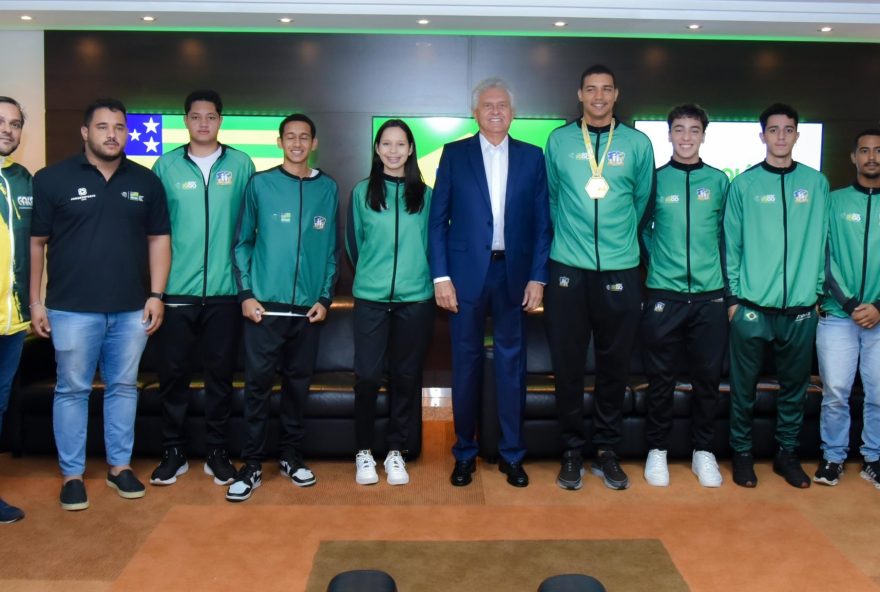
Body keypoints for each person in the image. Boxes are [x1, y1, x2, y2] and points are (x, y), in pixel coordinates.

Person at [30, 98, 171, 511]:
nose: (113, 134)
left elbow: (159, 239)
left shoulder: (146, 181)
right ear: (85, 132)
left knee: (124, 388)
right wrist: (36, 302)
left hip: (131, 310)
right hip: (70, 308)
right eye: (104, 127)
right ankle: (72, 475)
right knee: (72, 390)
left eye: (120, 128)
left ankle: (119, 467)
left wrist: (157, 295)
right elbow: (37, 244)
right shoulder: (51, 179)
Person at [429, 78, 551, 489]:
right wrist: (441, 276)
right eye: (487, 105)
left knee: (512, 367)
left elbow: (542, 226)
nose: (495, 110)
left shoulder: (533, 158)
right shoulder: (454, 154)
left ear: (512, 113)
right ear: (475, 113)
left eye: (502, 105)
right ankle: (464, 453)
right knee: (464, 367)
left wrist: (538, 276)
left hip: (513, 275)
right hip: (463, 277)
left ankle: (512, 455)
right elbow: (437, 221)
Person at [544, 64, 655, 491]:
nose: (598, 96)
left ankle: (608, 451)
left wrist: (621, 244)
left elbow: (642, 202)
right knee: (568, 366)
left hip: (621, 269)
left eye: (606, 89)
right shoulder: (558, 140)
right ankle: (571, 451)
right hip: (568, 269)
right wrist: (569, 244)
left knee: (614, 366)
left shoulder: (636, 143)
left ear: (616, 94)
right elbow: (553, 199)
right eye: (591, 89)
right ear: (579, 94)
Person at [227, 113, 338, 502]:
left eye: (304, 137)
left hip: (307, 313)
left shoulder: (328, 188)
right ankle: (252, 464)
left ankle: (292, 457)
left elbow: (331, 253)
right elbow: (241, 243)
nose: (296, 143)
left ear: (314, 143)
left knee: (297, 388)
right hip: (264, 311)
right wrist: (246, 295)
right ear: (279, 142)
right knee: (257, 389)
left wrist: (324, 298)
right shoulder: (260, 184)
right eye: (289, 137)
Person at [149, 90, 255, 487]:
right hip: (176, 291)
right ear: (186, 121)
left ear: (220, 121)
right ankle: (173, 451)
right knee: (173, 375)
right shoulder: (166, 165)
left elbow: (249, 229)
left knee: (221, 377)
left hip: (226, 293)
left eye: (211, 117)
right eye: (196, 117)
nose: (204, 123)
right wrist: (156, 290)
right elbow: (156, 230)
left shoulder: (242, 164)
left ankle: (217, 452)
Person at [723, 103, 829, 489]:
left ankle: (787, 454)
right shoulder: (745, 185)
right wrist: (733, 299)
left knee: (794, 389)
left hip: (801, 308)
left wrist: (816, 292)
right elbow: (730, 245)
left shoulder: (816, 184)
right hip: (751, 306)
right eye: (774, 129)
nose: (781, 136)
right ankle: (743, 454)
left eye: (788, 130)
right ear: (762, 135)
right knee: (744, 389)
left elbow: (824, 242)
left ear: (797, 135)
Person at [641, 104, 729, 488]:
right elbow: (641, 231)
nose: (687, 137)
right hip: (665, 293)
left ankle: (703, 453)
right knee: (661, 379)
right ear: (670, 134)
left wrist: (727, 289)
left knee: (707, 379)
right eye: (680, 129)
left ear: (704, 135)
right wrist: (657, 262)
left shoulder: (720, 181)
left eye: (694, 130)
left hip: (710, 296)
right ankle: (656, 450)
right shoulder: (656, 180)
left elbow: (729, 236)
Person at [346, 119, 433, 486]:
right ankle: (364, 452)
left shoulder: (426, 195)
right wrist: (371, 277)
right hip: (371, 298)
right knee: (367, 376)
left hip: (416, 299)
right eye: (387, 144)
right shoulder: (362, 192)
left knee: (406, 377)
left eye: (401, 144)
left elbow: (432, 243)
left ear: (411, 149)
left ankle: (396, 451)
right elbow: (354, 244)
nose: (394, 151)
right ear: (377, 149)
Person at [813, 129, 880, 489]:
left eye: (878, 151)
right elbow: (822, 256)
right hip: (839, 316)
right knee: (836, 391)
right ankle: (833, 458)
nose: (872, 157)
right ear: (853, 157)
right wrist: (852, 304)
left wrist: (878, 308)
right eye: (865, 151)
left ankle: (874, 458)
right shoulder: (834, 202)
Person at [0, 97, 32, 523]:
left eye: (14, 123)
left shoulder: (24, 181)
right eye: (0, 121)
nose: (7, 128)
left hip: (12, 323)